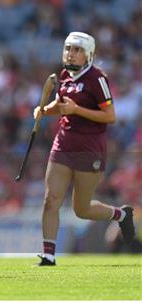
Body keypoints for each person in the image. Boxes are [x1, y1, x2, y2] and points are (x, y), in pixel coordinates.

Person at [34, 32, 135, 266]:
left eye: (77, 49)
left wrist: (76, 110)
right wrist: (44, 110)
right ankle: (48, 255)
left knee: (82, 209)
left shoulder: (97, 78)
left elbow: (110, 116)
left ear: (88, 54)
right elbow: (61, 106)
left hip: (90, 148)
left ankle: (120, 214)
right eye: (69, 48)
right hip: (64, 143)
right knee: (51, 199)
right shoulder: (64, 76)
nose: (71, 53)